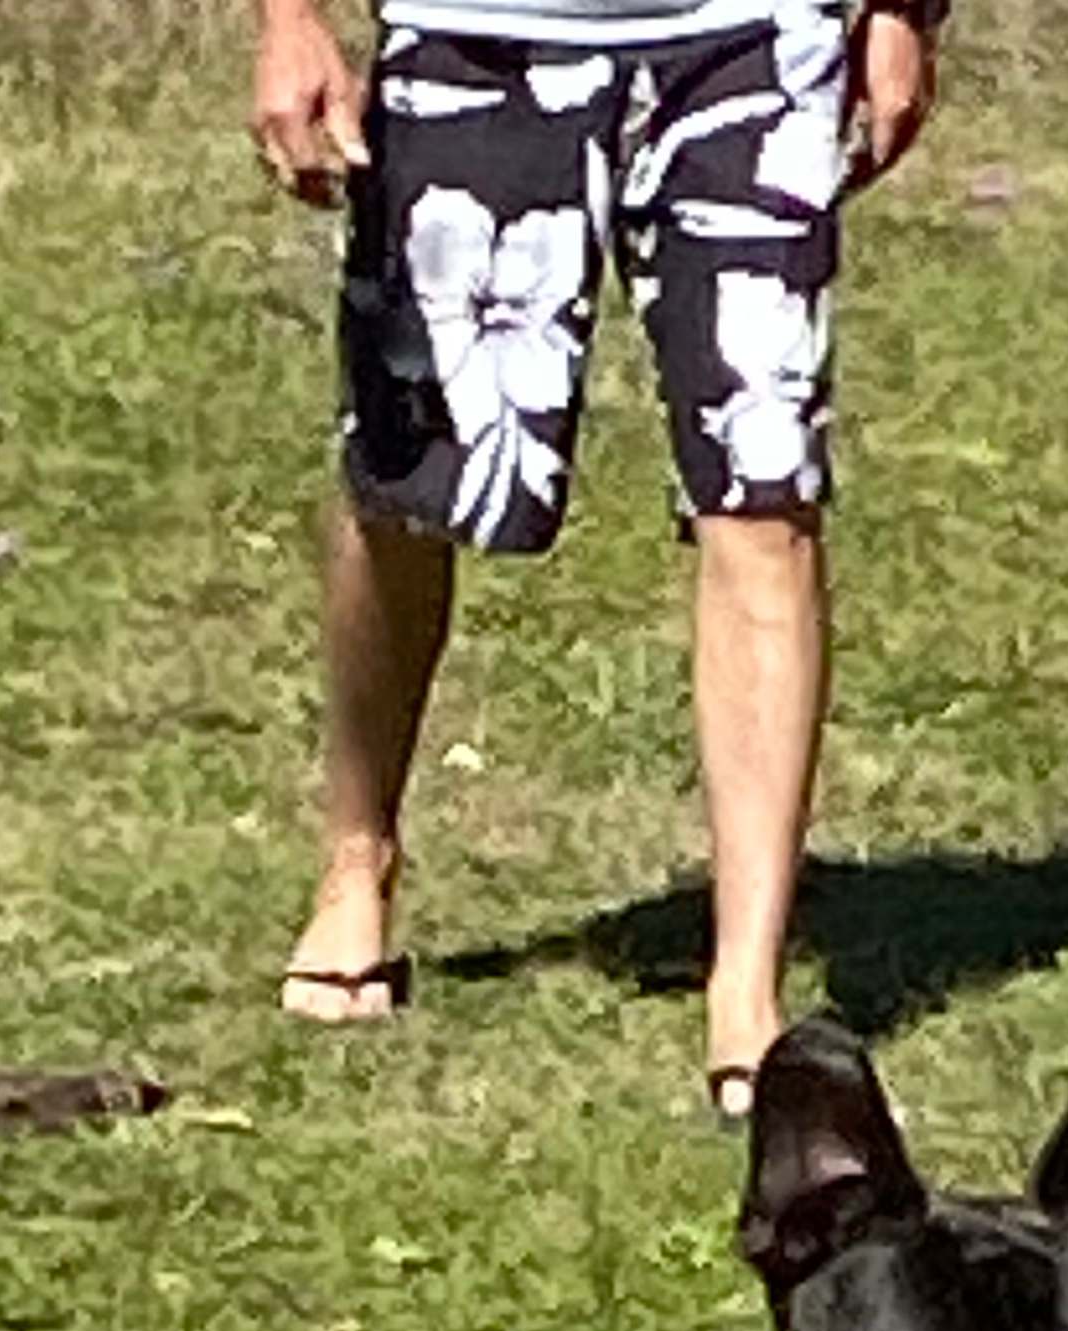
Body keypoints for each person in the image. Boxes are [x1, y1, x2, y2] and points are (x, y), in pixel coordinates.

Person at [251, 0, 941, 1108]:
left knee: (762, 493)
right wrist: (288, 21)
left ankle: (746, 984)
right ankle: (357, 852)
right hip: (477, 35)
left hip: (753, 41)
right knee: (411, 488)